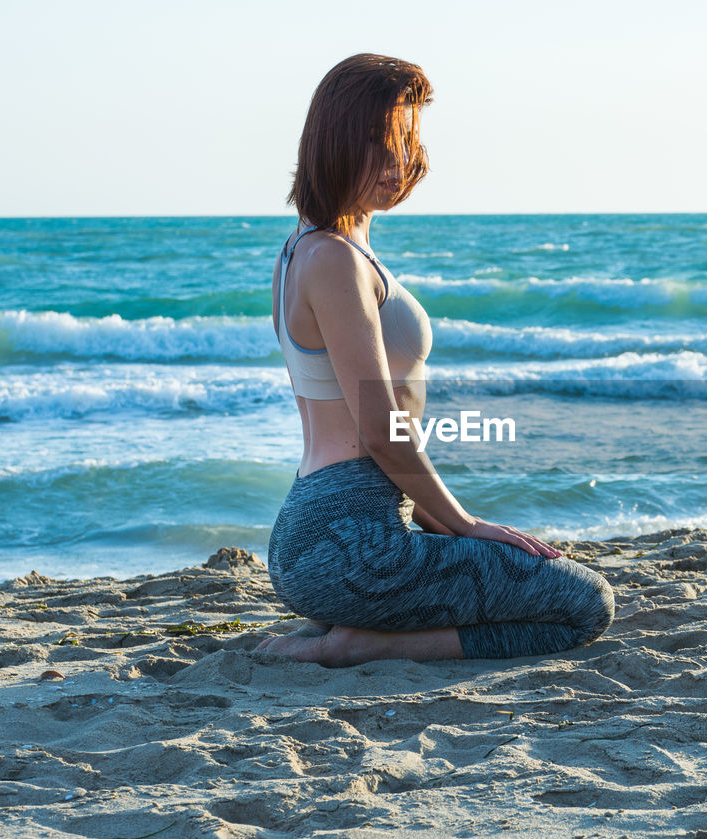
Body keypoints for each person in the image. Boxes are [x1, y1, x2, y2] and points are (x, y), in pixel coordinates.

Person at [255, 54, 614, 667]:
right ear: (335, 141)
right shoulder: (333, 259)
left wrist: (436, 521)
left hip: (320, 535)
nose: (400, 163)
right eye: (380, 143)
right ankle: (362, 646)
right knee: (586, 604)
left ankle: (357, 632)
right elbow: (379, 427)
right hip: (350, 544)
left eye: (407, 140)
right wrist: (465, 524)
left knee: (531, 578)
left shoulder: (305, 250)